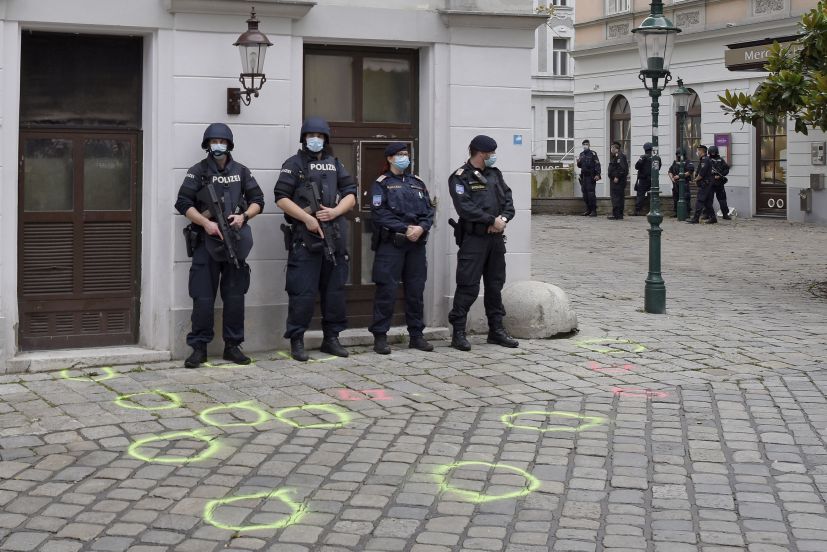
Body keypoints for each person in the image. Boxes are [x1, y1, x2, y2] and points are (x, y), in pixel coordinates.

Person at [175, 123, 264, 368]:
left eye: (222, 142)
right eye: (213, 142)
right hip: (207, 242)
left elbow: (259, 200)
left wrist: (244, 217)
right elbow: (183, 203)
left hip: (235, 241)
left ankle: (233, 346)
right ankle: (199, 347)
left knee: (235, 297)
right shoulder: (198, 171)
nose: (218, 146)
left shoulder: (242, 171)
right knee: (202, 297)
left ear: (229, 144)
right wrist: (205, 223)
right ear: (207, 145)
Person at [274, 117, 357, 361]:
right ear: (304, 139)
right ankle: (297, 340)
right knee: (303, 292)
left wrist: (335, 211)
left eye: (320, 137)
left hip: (334, 235)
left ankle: (331, 338)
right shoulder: (294, 164)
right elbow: (281, 197)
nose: (316, 140)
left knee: (334, 292)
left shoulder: (334, 163)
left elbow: (351, 193)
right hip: (306, 239)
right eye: (312, 136)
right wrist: (306, 218)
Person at [448, 135, 519, 351]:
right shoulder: (460, 177)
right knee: (468, 285)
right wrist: (490, 220)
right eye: (491, 153)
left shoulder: (495, 175)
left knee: (495, 285)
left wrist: (502, 221)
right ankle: (458, 332)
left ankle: (496, 330)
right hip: (474, 240)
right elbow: (465, 208)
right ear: (481, 153)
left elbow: (509, 202)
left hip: (495, 240)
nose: (494, 157)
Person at [368, 143, 435, 355]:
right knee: (386, 291)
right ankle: (380, 336)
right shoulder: (382, 184)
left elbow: (429, 211)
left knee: (416, 291)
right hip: (391, 245)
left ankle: (417, 336)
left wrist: (421, 228)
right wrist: (405, 228)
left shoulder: (418, 183)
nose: (404, 158)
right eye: (399, 155)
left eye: (406, 154)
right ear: (389, 158)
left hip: (415, 245)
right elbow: (380, 214)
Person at [687, 144, 716, 224]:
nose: (697, 152)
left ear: (701, 151)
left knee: (699, 201)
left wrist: (695, 180)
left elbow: (702, 174)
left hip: (705, 184)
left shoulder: (705, 160)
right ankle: (713, 218)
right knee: (708, 203)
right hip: (708, 184)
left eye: (698, 150)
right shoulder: (705, 159)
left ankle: (695, 219)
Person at [576, 139, 601, 216]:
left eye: (586, 144)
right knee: (585, 194)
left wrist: (598, 174)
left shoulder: (593, 154)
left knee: (591, 194)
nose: (585, 146)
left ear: (589, 145)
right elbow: (580, 166)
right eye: (584, 144)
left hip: (591, 176)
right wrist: (578, 162)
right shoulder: (581, 154)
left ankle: (594, 210)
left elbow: (597, 164)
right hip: (583, 177)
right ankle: (588, 209)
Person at [668, 148, 694, 218]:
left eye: (680, 155)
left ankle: (687, 213)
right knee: (675, 198)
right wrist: (672, 178)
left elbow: (690, 171)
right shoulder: (675, 162)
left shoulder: (688, 162)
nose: (679, 156)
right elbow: (670, 171)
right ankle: (676, 212)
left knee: (686, 198)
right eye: (678, 155)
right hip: (676, 183)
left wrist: (679, 176)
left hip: (684, 183)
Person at [708, 145, 731, 219]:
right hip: (710, 182)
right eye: (712, 152)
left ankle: (725, 214)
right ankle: (707, 214)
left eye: (714, 152)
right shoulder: (707, 160)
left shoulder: (721, 160)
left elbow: (726, 169)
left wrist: (720, 176)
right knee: (708, 199)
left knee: (722, 200)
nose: (713, 153)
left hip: (719, 182)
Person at [607, 141, 628, 220]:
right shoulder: (615, 156)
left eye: (612, 148)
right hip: (615, 180)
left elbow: (623, 169)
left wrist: (617, 177)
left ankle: (617, 215)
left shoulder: (620, 156)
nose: (611, 149)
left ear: (616, 149)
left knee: (617, 198)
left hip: (618, 181)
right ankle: (618, 214)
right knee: (617, 197)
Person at [633, 142, 653, 215]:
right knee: (651, 195)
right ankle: (651, 210)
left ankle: (638, 210)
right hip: (652, 179)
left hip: (643, 179)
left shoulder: (643, 157)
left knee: (640, 195)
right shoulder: (656, 158)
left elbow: (637, 166)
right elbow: (658, 167)